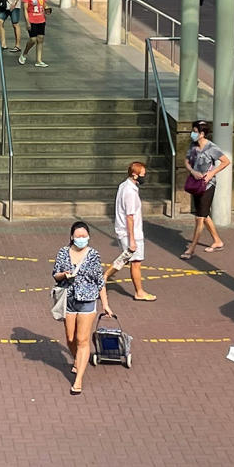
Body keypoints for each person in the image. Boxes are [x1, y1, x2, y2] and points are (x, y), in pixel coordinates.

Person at [52, 221, 113, 395]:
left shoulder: (93, 255)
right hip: (69, 299)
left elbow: (100, 281)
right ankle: (78, 360)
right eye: (78, 236)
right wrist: (64, 275)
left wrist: (105, 304)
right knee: (70, 338)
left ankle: (78, 380)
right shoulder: (63, 253)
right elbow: (55, 274)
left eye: (84, 236)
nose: (81, 239)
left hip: (87, 300)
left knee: (82, 340)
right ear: (71, 237)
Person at [105, 162, 156, 301]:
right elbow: (130, 217)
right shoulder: (130, 192)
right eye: (142, 175)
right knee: (135, 262)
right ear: (135, 174)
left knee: (125, 259)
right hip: (131, 233)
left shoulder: (125, 186)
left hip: (124, 231)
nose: (144, 177)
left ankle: (103, 278)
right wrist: (132, 240)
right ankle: (139, 291)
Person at [181, 120, 230, 259]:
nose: (192, 134)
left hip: (207, 185)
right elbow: (186, 161)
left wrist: (211, 173)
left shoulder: (211, 147)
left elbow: (226, 161)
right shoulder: (193, 145)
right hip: (196, 183)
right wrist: (192, 171)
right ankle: (217, 241)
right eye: (193, 131)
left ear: (202, 133)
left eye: (195, 131)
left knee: (199, 218)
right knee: (203, 214)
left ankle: (191, 248)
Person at [18, 0, 50, 67]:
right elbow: (25, 9)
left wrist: (47, 9)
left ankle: (39, 60)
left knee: (40, 39)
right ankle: (24, 54)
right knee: (33, 39)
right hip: (32, 20)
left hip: (41, 20)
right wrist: (27, 22)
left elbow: (44, 4)